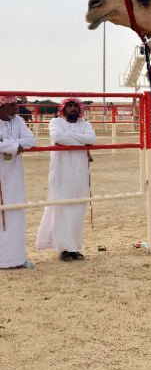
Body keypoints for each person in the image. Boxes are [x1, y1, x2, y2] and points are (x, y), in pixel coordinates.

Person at [36, 98, 96, 261]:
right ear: (63, 109)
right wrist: (79, 140)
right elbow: (58, 138)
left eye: (75, 106)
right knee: (61, 207)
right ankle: (62, 249)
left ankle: (74, 248)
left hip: (81, 174)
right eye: (69, 106)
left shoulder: (86, 124)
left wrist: (70, 137)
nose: (73, 109)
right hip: (61, 173)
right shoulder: (56, 123)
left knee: (78, 207)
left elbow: (91, 139)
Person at [0, 96, 37, 269]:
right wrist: (14, 147)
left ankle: (16, 259)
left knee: (15, 214)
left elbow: (31, 140)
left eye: (16, 104)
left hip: (15, 177)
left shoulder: (18, 120)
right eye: (11, 105)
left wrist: (7, 144)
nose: (16, 108)